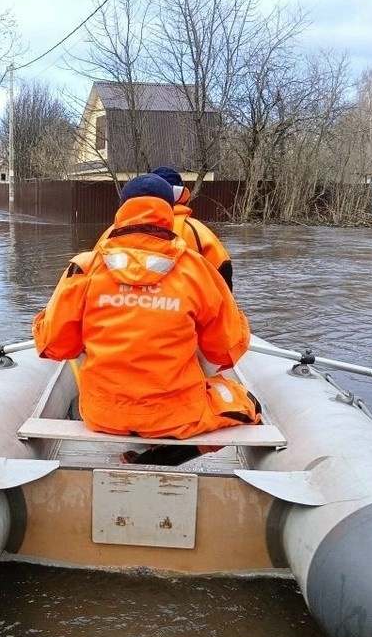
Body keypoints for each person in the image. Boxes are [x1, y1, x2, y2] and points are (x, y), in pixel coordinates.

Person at [32, 173, 261, 440]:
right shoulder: (197, 269)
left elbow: (54, 345)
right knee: (246, 402)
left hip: (102, 414)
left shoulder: (85, 267)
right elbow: (224, 350)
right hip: (176, 416)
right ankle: (179, 450)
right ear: (169, 210)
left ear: (122, 209)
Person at [150, 165, 234, 292]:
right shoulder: (197, 231)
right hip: (189, 300)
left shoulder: (122, 229)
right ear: (181, 194)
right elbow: (223, 269)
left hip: (133, 302)